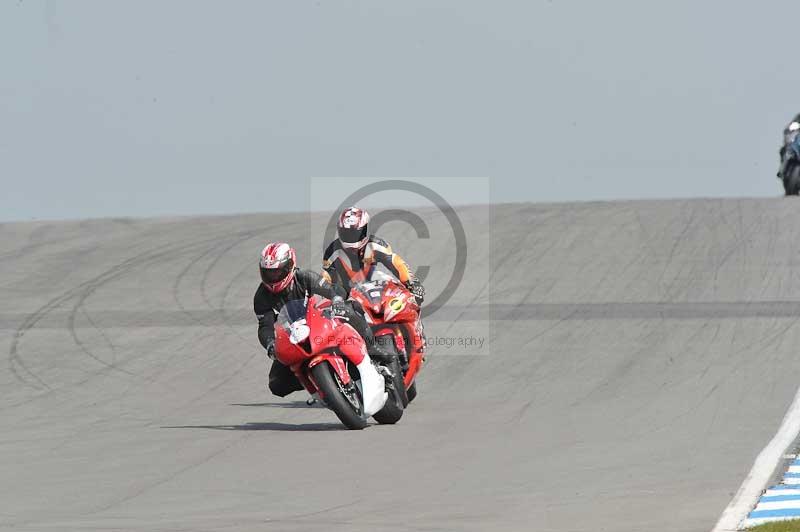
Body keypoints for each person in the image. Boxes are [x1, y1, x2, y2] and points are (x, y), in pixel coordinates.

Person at [254, 242, 388, 399]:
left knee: (351, 308)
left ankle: (372, 347)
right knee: (276, 384)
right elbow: (265, 326)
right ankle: (317, 381)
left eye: (277, 272)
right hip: (294, 337)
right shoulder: (261, 297)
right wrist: (270, 344)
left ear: (290, 266)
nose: (273, 277)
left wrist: (337, 301)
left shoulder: (304, 277)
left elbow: (331, 291)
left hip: (320, 321)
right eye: (269, 273)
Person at [322, 206, 426, 302]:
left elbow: (396, 263)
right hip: (346, 299)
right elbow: (325, 279)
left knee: (388, 281)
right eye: (346, 233)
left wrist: (412, 283)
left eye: (354, 234)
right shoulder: (333, 252)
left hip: (372, 291)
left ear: (365, 230)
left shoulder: (376, 245)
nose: (350, 238)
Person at [778, 114, 800, 178]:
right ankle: (782, 170)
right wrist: (790, 128)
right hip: (796, 140)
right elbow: (793, 124)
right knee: (786, 152)